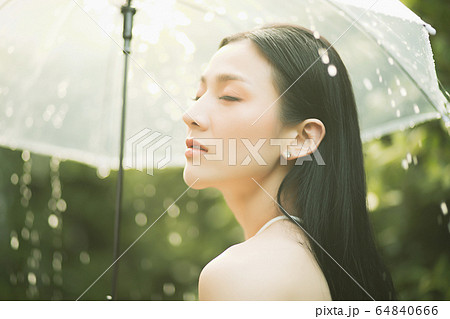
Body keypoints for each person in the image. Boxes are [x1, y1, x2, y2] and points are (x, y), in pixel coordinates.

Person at [182, 24, 396, 301]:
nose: (191, 114)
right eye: (198, 96)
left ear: (301, 138)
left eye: (229, 96)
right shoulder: (314, 261)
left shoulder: (243, 275)